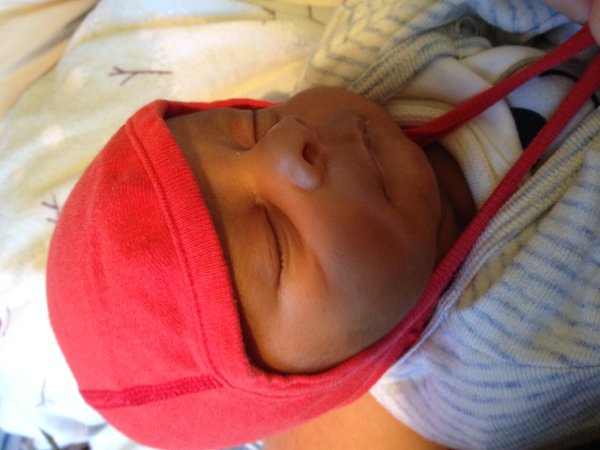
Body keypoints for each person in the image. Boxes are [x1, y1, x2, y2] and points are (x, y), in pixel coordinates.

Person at [46, 0, 600, 449]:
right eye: (275, 240)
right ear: (334, 371)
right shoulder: (506, 356)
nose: (287, 143)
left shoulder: (364, 63)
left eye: (248, 126)